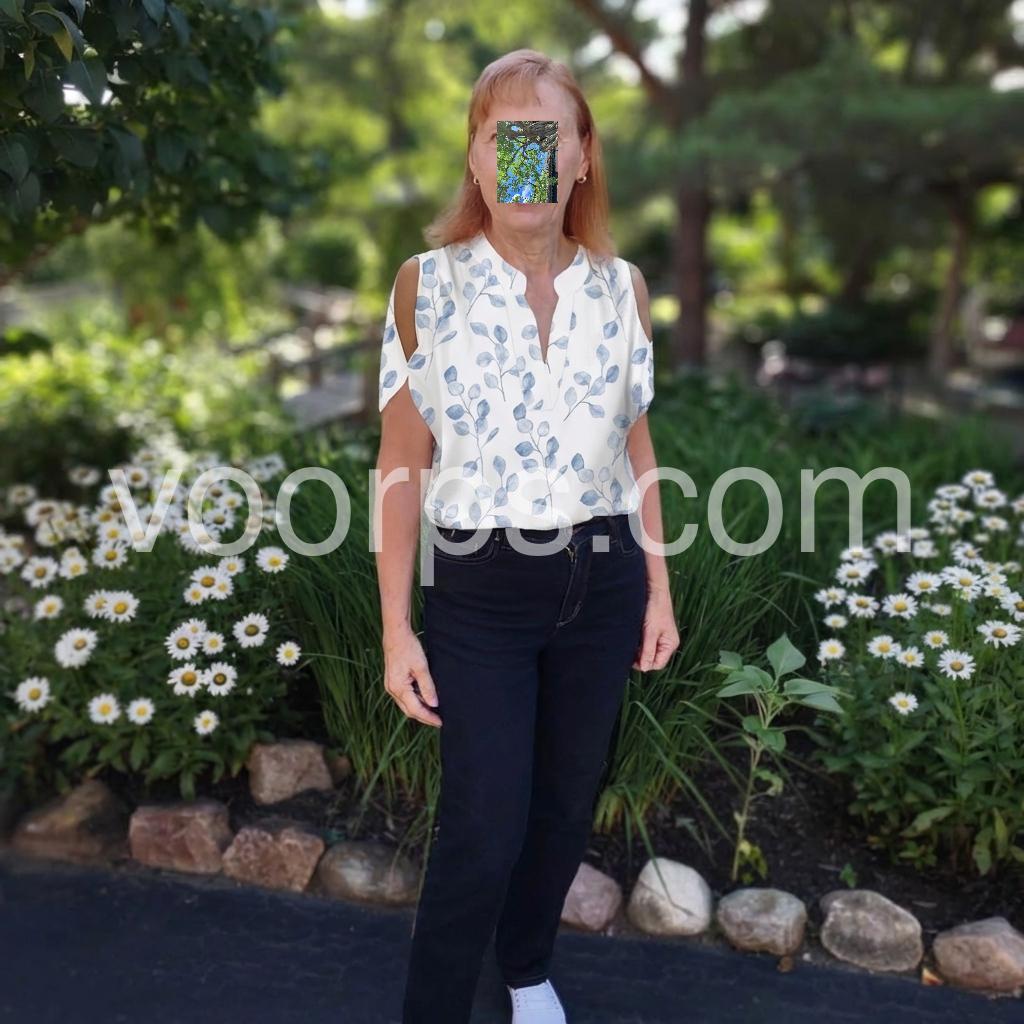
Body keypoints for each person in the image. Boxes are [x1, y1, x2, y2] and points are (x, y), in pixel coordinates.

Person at [373, 48, 679, 1024]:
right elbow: (400, 464)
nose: (525, 162)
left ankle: (527, 966)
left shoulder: (622, 288)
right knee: (483, 827)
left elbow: (635, 445)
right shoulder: (426, 286)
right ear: (474, 157)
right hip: (482, 590)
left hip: (606, 579)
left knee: (563, 805)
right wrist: (396, 630)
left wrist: (659, 589)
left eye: (545, 139)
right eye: (504, 139)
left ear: (582, 157)